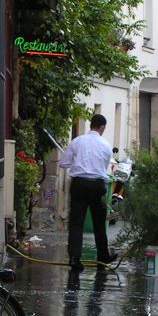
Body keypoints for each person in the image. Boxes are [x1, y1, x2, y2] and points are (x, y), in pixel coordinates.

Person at [59, 114, 118, 271]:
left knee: (76, 223)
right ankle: (103, 255)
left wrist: (76, 161)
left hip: (79, 184)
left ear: (91, 125)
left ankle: (74, 258)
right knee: (99, 223)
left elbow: (63, 163)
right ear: (102, 127)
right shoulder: (105, 145)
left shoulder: (77, 141)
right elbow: (103, 166)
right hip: (97, 185)